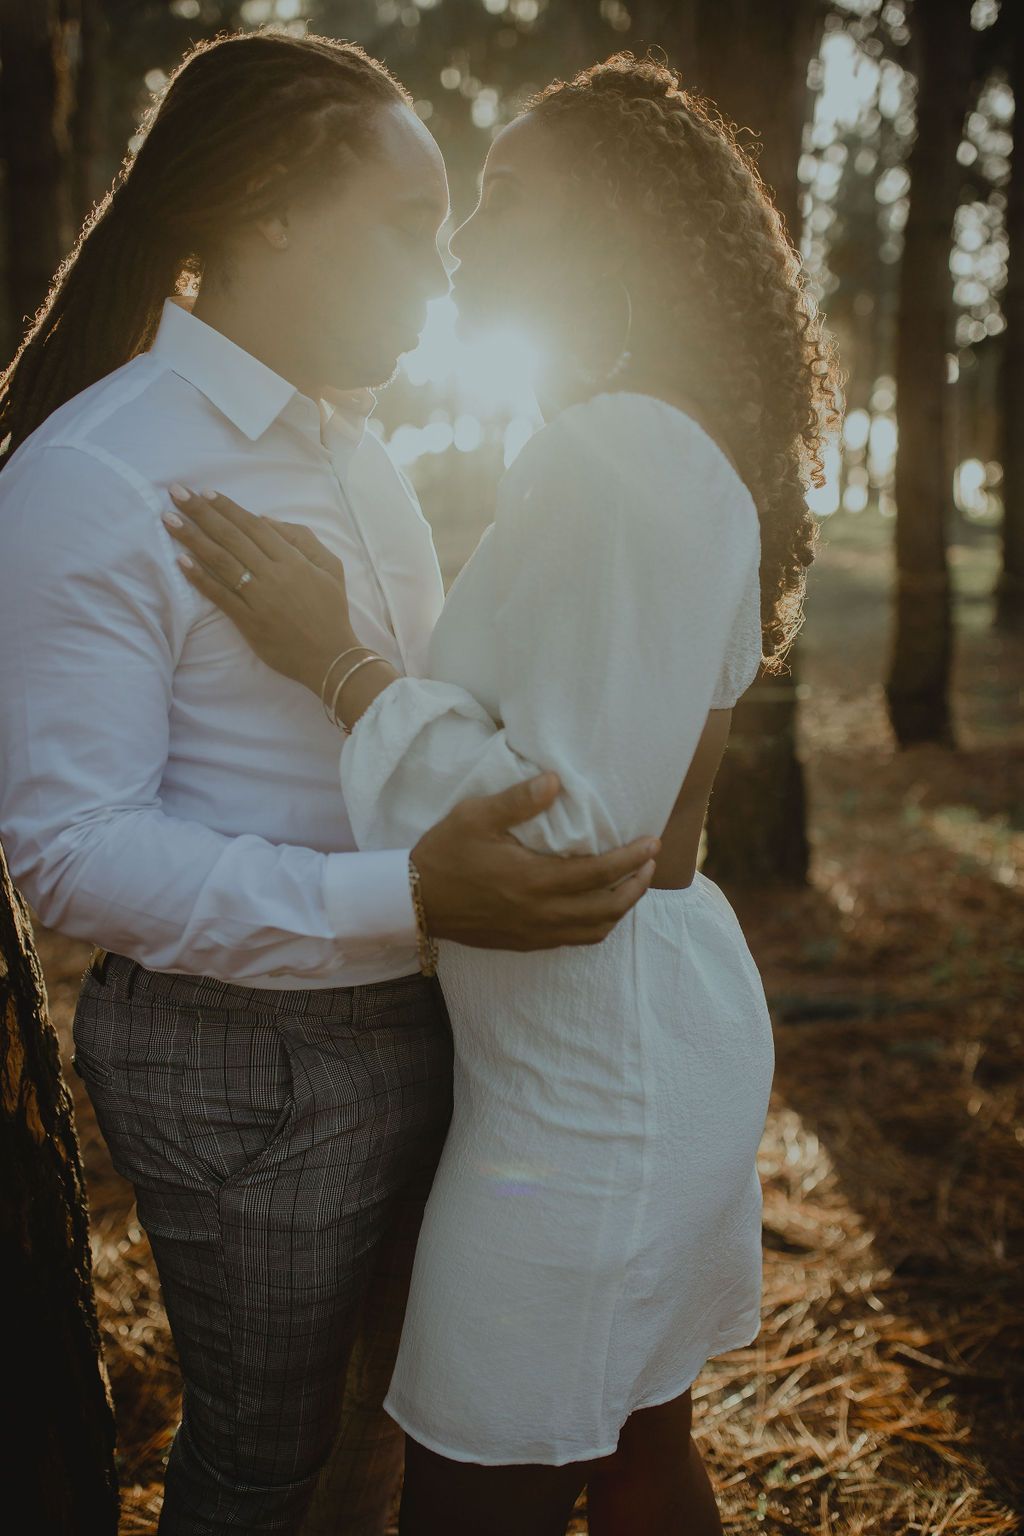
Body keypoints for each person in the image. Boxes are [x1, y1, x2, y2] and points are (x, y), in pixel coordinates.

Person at [162, 50, 840, 1536]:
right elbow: (673, 834)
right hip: (665, 1036)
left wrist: (334, 661)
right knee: (645, 1447)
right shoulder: (704, 455)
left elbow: (586, 847)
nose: (466, 240)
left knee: (476, 1488)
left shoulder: (610, 453)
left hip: (581, 1096)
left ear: (616, 228)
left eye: (510, 200)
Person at [0, 33, 661, 1536]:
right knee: (267, 1468)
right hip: (247, 1062)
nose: (445, 273)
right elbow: (68, 853)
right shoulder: (90, 477)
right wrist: (407, 895)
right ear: (270, 207)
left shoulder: (356, 457)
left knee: (391, 1438)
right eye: (410, 224)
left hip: (433, 1014)